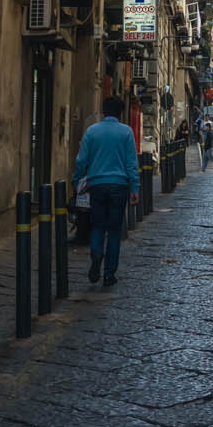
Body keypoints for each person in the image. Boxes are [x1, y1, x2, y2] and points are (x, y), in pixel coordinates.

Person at [72, 96, 139, 287]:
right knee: (115, 231)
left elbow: (81, 160)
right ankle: (109, 273)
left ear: (104, 112)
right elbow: (131, 163)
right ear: (120, 113)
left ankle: (96, 253)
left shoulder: (92, 131)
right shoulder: (126, 132)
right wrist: (135, 188)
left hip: (97, 186)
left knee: (98, 226)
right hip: (119, 186)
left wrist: (77, 181)